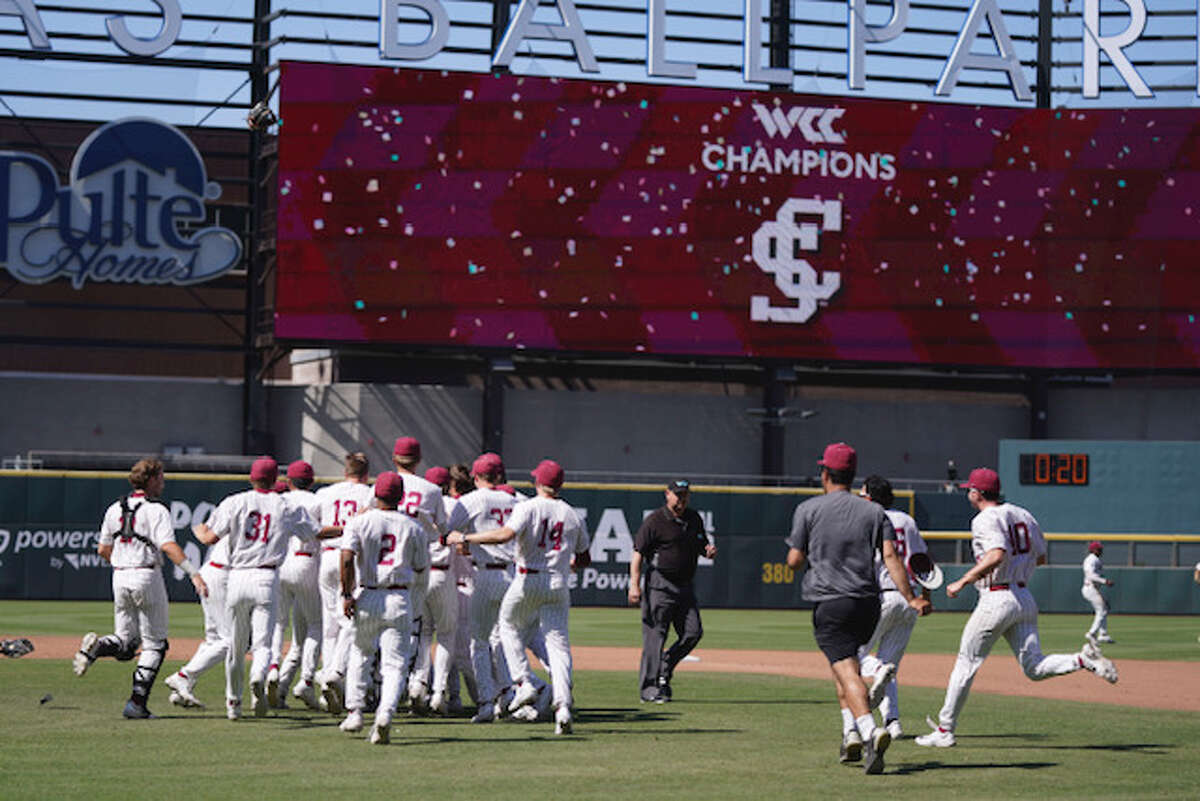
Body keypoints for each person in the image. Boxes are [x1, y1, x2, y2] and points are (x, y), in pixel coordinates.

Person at [915, 468, 1119, 748]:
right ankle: (1083, 660)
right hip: (1023, 597)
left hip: (996, 597)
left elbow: (996, 554)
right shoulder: (1024, 514)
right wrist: (1018, 575)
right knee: (1034, 667)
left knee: (966, 663)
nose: (967, 493)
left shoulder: (984, 518)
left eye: (969, 489)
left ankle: (944, 730)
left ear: (977, 493)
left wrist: (963, 580)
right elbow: (1042, 557)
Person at [785, 443, 931, 775]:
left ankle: (868, 730)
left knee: (848, 670)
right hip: (868, 603)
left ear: (824, 474)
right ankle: (849, 733)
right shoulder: (874, 512)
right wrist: (912, 598)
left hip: (831, 602)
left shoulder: (808, 509)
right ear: (853, 475)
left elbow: (794, 561)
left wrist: (806, 553)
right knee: (844, 666)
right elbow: (892, 558)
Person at [447, 459, 591, 735]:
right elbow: (584, 558)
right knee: (558, 644)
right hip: (556, 582)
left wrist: (469, 539)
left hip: (524, 577)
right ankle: (562, 706)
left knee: (504, 629)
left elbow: (504, 535)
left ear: (539, 482)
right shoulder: (572, 514)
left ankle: (520, 683)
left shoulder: (528, 506)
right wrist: (566, 562)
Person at [73, 458, 207, 719]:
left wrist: (124, 564)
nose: (163, 482)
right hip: (146, 576)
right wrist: (193, 573)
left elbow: (103, 550)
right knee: (155, 645)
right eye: (161, 477)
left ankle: (98, 647)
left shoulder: (114, 508)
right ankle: (136, 704)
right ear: (152, 479)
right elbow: (168, 546)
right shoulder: (156, 510)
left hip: (120, 576)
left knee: (125, 643)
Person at [193, 457, 322, 720]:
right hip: (266, 578)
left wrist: (198, 529)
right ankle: (259, 676)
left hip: (237, 578)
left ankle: (233, 704)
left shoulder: (234, 501)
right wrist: (346, 529)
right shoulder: (284, 505)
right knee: (262, 644)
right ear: (276, 480)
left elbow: (209, 537)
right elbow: (316, 533)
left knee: (236, 646)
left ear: (251, 478)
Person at [337, 471, 431, 744]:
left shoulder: (360, 522)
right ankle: (385, 714)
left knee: (361, 653)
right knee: (395, 665)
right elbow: (421, 568)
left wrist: (346, 592)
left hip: (368, 592)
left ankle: (355, 711)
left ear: (376, 494)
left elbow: (345, 559)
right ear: (401, 496)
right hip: (399, 596)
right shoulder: (414, 527)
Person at [851, 474, 933, 742]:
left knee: (855, 654)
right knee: (891, 665)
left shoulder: (867, 518)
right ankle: (893, 722)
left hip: (881, 596)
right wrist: (925, 596)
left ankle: (876, 671)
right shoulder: (908, 520)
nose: (860, 499)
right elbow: (923, 562)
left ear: (871, 497)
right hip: (908, 599)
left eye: (863, 495)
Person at [628, 478, 717, 703]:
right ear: (667, 494)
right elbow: (638, 553)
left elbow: (701, 544)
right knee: (655, 636)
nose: (681, 499)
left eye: (685, 495)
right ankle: (649, 689)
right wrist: (634, 584)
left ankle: (665, 667)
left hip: (685, 586)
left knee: (693, 632)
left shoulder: (694, 518)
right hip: (660, 584)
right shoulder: (655, 521)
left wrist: (707, 551)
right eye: (677, 494)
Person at [389, 436, 448, 711]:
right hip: (421, 564)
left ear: (394, 457)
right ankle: (415, 683)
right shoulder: (432, 490)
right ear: (419, 459)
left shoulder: (383, 483)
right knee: (418, 628)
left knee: (390, 628)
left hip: (389, 565)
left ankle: (387, 686)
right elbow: (443, 530)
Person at [313, 452, 374, 713]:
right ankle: (335, 672)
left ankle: (328, 677)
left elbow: (313, 530)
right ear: (366, 472)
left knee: (330, 626)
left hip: (327, 558)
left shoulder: (325, 493)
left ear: (345, 469)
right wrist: (349, 527)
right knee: (351, 621)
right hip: (351, 558)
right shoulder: (370, 494)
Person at [268, 460, 324, 708]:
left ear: (288, 481)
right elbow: (322, 533)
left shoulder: (280, 501)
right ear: (311, 481)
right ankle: (307, 681)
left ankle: (274, 676)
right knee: (315, 626)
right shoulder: (316, 500)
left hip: (280, 564)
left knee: (279, 625)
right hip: (306, 564)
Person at [1082, 541, 1115, 645]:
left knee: (1104, 608)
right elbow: (1090, 575)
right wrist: (1105, 581)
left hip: (1094, 588)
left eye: (1100, 549)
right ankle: (1092, 633)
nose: (1100, 551)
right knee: (1101, 610)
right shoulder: (1091, 559)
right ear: (1092, 550)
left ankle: (1103, 634)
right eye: (1098, 549)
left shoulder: (1095, 559)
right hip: (1090, 588)